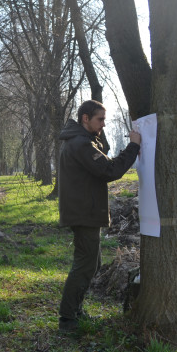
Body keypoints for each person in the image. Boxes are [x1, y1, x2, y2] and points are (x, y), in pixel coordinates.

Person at [57, 100, 141, 332]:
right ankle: (67, 319)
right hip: (83, 214)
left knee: (93, 264)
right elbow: (110, 170)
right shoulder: (81, 144)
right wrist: (133, 146)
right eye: (100, 119)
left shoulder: (82, 141)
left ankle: (75, 311)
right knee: (85, 265)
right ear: (86, 118)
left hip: (84, 212)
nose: (103, 124)